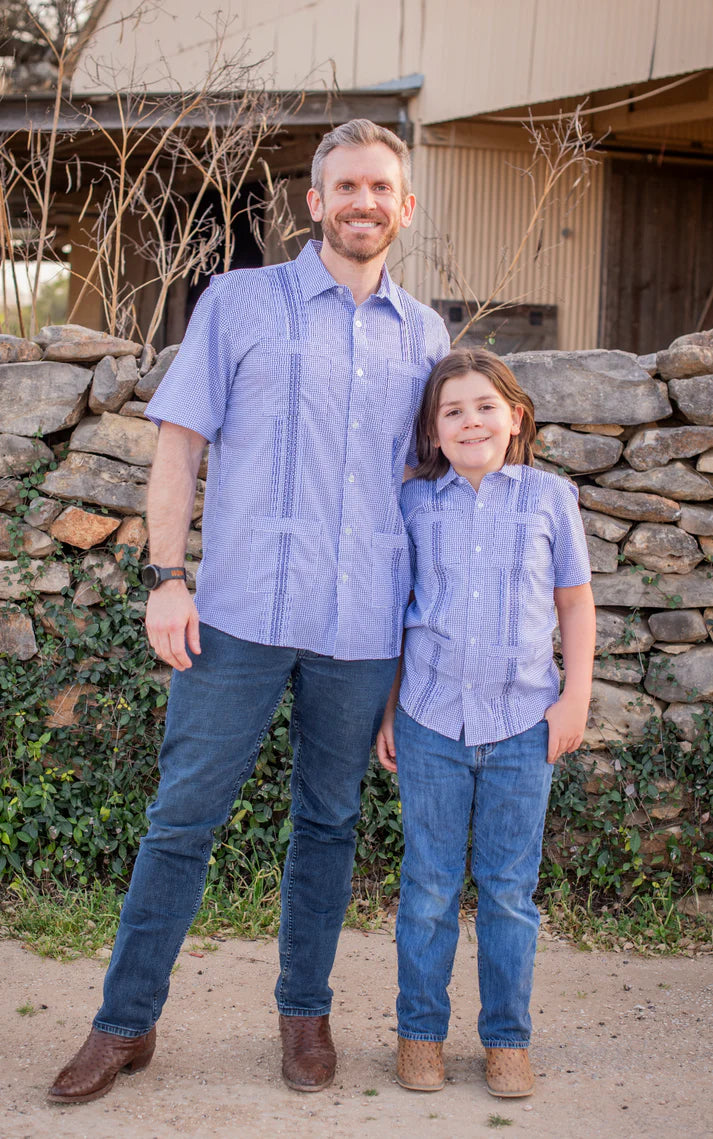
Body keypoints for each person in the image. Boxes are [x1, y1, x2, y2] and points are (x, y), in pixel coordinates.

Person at [48, 119, 450, 1105]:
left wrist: (415, 644)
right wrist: (165, 576)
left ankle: (303, 1013)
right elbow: (179, 446)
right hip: (232, 614)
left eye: (380, 189)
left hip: (360, 624)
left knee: (328, 819)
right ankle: (124, 1021)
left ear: (403, 208)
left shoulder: (426, 334)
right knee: (183, 817)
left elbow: (422, 490)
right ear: (314, 202)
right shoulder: (239, 302)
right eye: (344, 186)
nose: (362, 202)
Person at [376, 348, 595, 1099]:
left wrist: (574, 697)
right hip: (429, 719)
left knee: (507, 890)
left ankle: (505, 1039)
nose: (469, 420)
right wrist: (387, 707)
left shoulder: (549, 499)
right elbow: (397, 616)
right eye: (451, 410)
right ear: (432, 432)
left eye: (483, 406)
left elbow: (573, 602)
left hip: (521, 724)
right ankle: (420, 1033)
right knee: (429, 887)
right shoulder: (411, 504)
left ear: (515, 417)